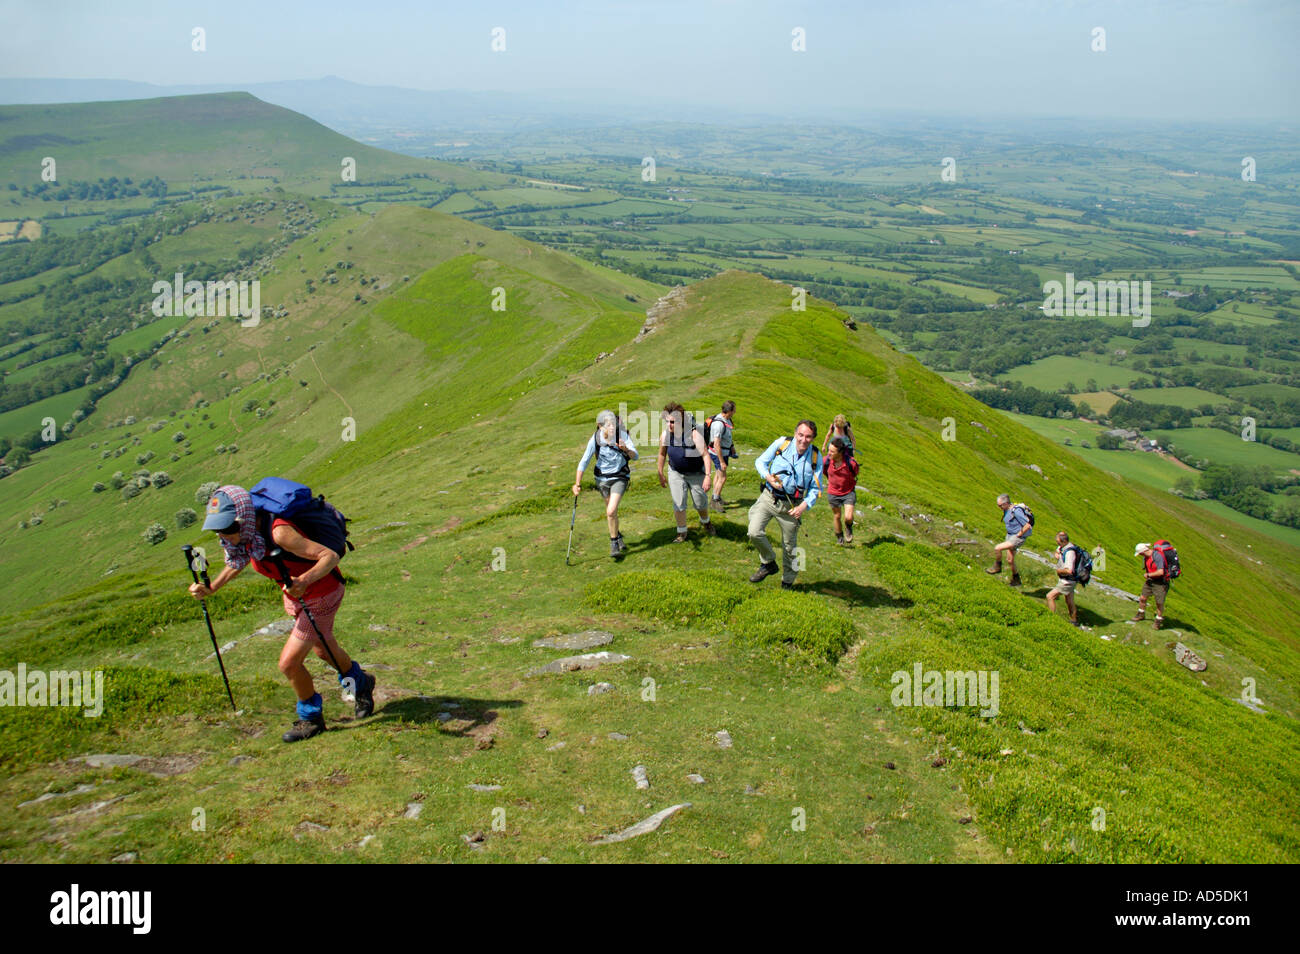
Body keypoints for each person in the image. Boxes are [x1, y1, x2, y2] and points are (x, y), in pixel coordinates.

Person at [186, 484, 374, 743]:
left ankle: (310, 719)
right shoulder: (245, 536)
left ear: (244, 518)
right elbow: (237, 561)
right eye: (219, 529)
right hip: (298, 597)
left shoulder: (279, 533)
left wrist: (305, 580)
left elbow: (328, 556)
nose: (224, 536)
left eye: (228, 528)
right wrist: (211, 588)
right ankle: (362, 683)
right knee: (322, 649)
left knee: (288, 663)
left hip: (321, 593)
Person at [749, 420, 821, 589]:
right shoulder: (782, 443)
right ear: (795, 433)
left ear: (813, 438)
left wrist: (804, 506)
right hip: (769, 497)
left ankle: (789, 581)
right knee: (753, 531)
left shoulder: (816, 457)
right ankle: (768, 562)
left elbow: (816, 488)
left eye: (808, 437)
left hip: (792, 507)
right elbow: (760, 462)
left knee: (791, 547)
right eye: (801, 435)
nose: (803, 440)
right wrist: (768, 477)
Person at [574, 410, 638, 558]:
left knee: (610, 511)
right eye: (608, 425)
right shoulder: (595, 439)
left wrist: (626, 449)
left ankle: (614, 543)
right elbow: (584, 461)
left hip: (620, 476)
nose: (611, 428)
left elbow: (636, 456)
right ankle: (619, 536)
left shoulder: (622, 436)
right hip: (601, 479)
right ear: (600, 426)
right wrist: (577, 483)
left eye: (613, 424)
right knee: (612, 512)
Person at [657, 402, 715, 542]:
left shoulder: (694, 435)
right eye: (667, 421)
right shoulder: (665, 435)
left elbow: (706, 455)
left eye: (672, 422)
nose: (669, 425)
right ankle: (681, 532)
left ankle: (705, 521)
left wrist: (707, 476)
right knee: (678, 503)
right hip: (676, 472)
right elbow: (662, 454)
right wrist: (660, 472)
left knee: (700, 503)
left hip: (696, 473)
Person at [986, 494, 1032, 586]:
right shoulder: (1006, 509)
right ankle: (1016, 579)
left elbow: (1027, 525)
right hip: (1010, 535)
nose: (999, 507)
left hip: (1017, 537)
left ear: (1006, 503)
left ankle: (997, 567)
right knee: (1010, 560)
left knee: (997, 548)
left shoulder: (1016, 511)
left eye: (1000, 505)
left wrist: (1018, 535)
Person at [822, 436, 860, 545]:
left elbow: (855, 472)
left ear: (840, 452)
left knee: (848, 517)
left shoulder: (850, 463)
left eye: (832, 451)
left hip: (848, 492)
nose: (829, 453)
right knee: (837, 516)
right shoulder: (826, 461)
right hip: (833, 493)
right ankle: (839, 537)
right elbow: (825, 473)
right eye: (829, 450)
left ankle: (848, 526)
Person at [707, 400, 738, 512]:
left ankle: (717, 496)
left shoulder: (727, 420)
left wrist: (732, 446)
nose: (735, 411)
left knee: (718, 475)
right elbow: (716, 444)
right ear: (729, 411)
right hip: (717, 453)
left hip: (724, 452)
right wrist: (721, 461)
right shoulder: (718, 424)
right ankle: (714, 501)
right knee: (723, 477)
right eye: (734, 410)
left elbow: (728, 435)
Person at [1045, 530, 1081, 626]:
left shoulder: (1070, 553)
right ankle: (1074, 621)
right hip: (1070, 580)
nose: (1057, 544)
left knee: (1050, 596)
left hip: (1067, 580)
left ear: (1063, 541)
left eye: (1058, 542)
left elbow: (1069, 570)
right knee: (1069, 600)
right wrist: (1058, 553)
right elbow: (1058, 551)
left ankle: (1050, 619)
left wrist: (1059, 571)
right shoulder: (1066, 546)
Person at [1132, 543, 1170, 630]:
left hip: (1160, 583)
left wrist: (1149, 574)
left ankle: (1158, 621)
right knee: (1142, 598)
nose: (1140, 555)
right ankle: (1141, 614)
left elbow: (1161, 572)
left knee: (1159, 603)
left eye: (1140, 553)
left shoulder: (1157, 556)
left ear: (1143, 551)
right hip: (1150, 581)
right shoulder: (1146, 557)